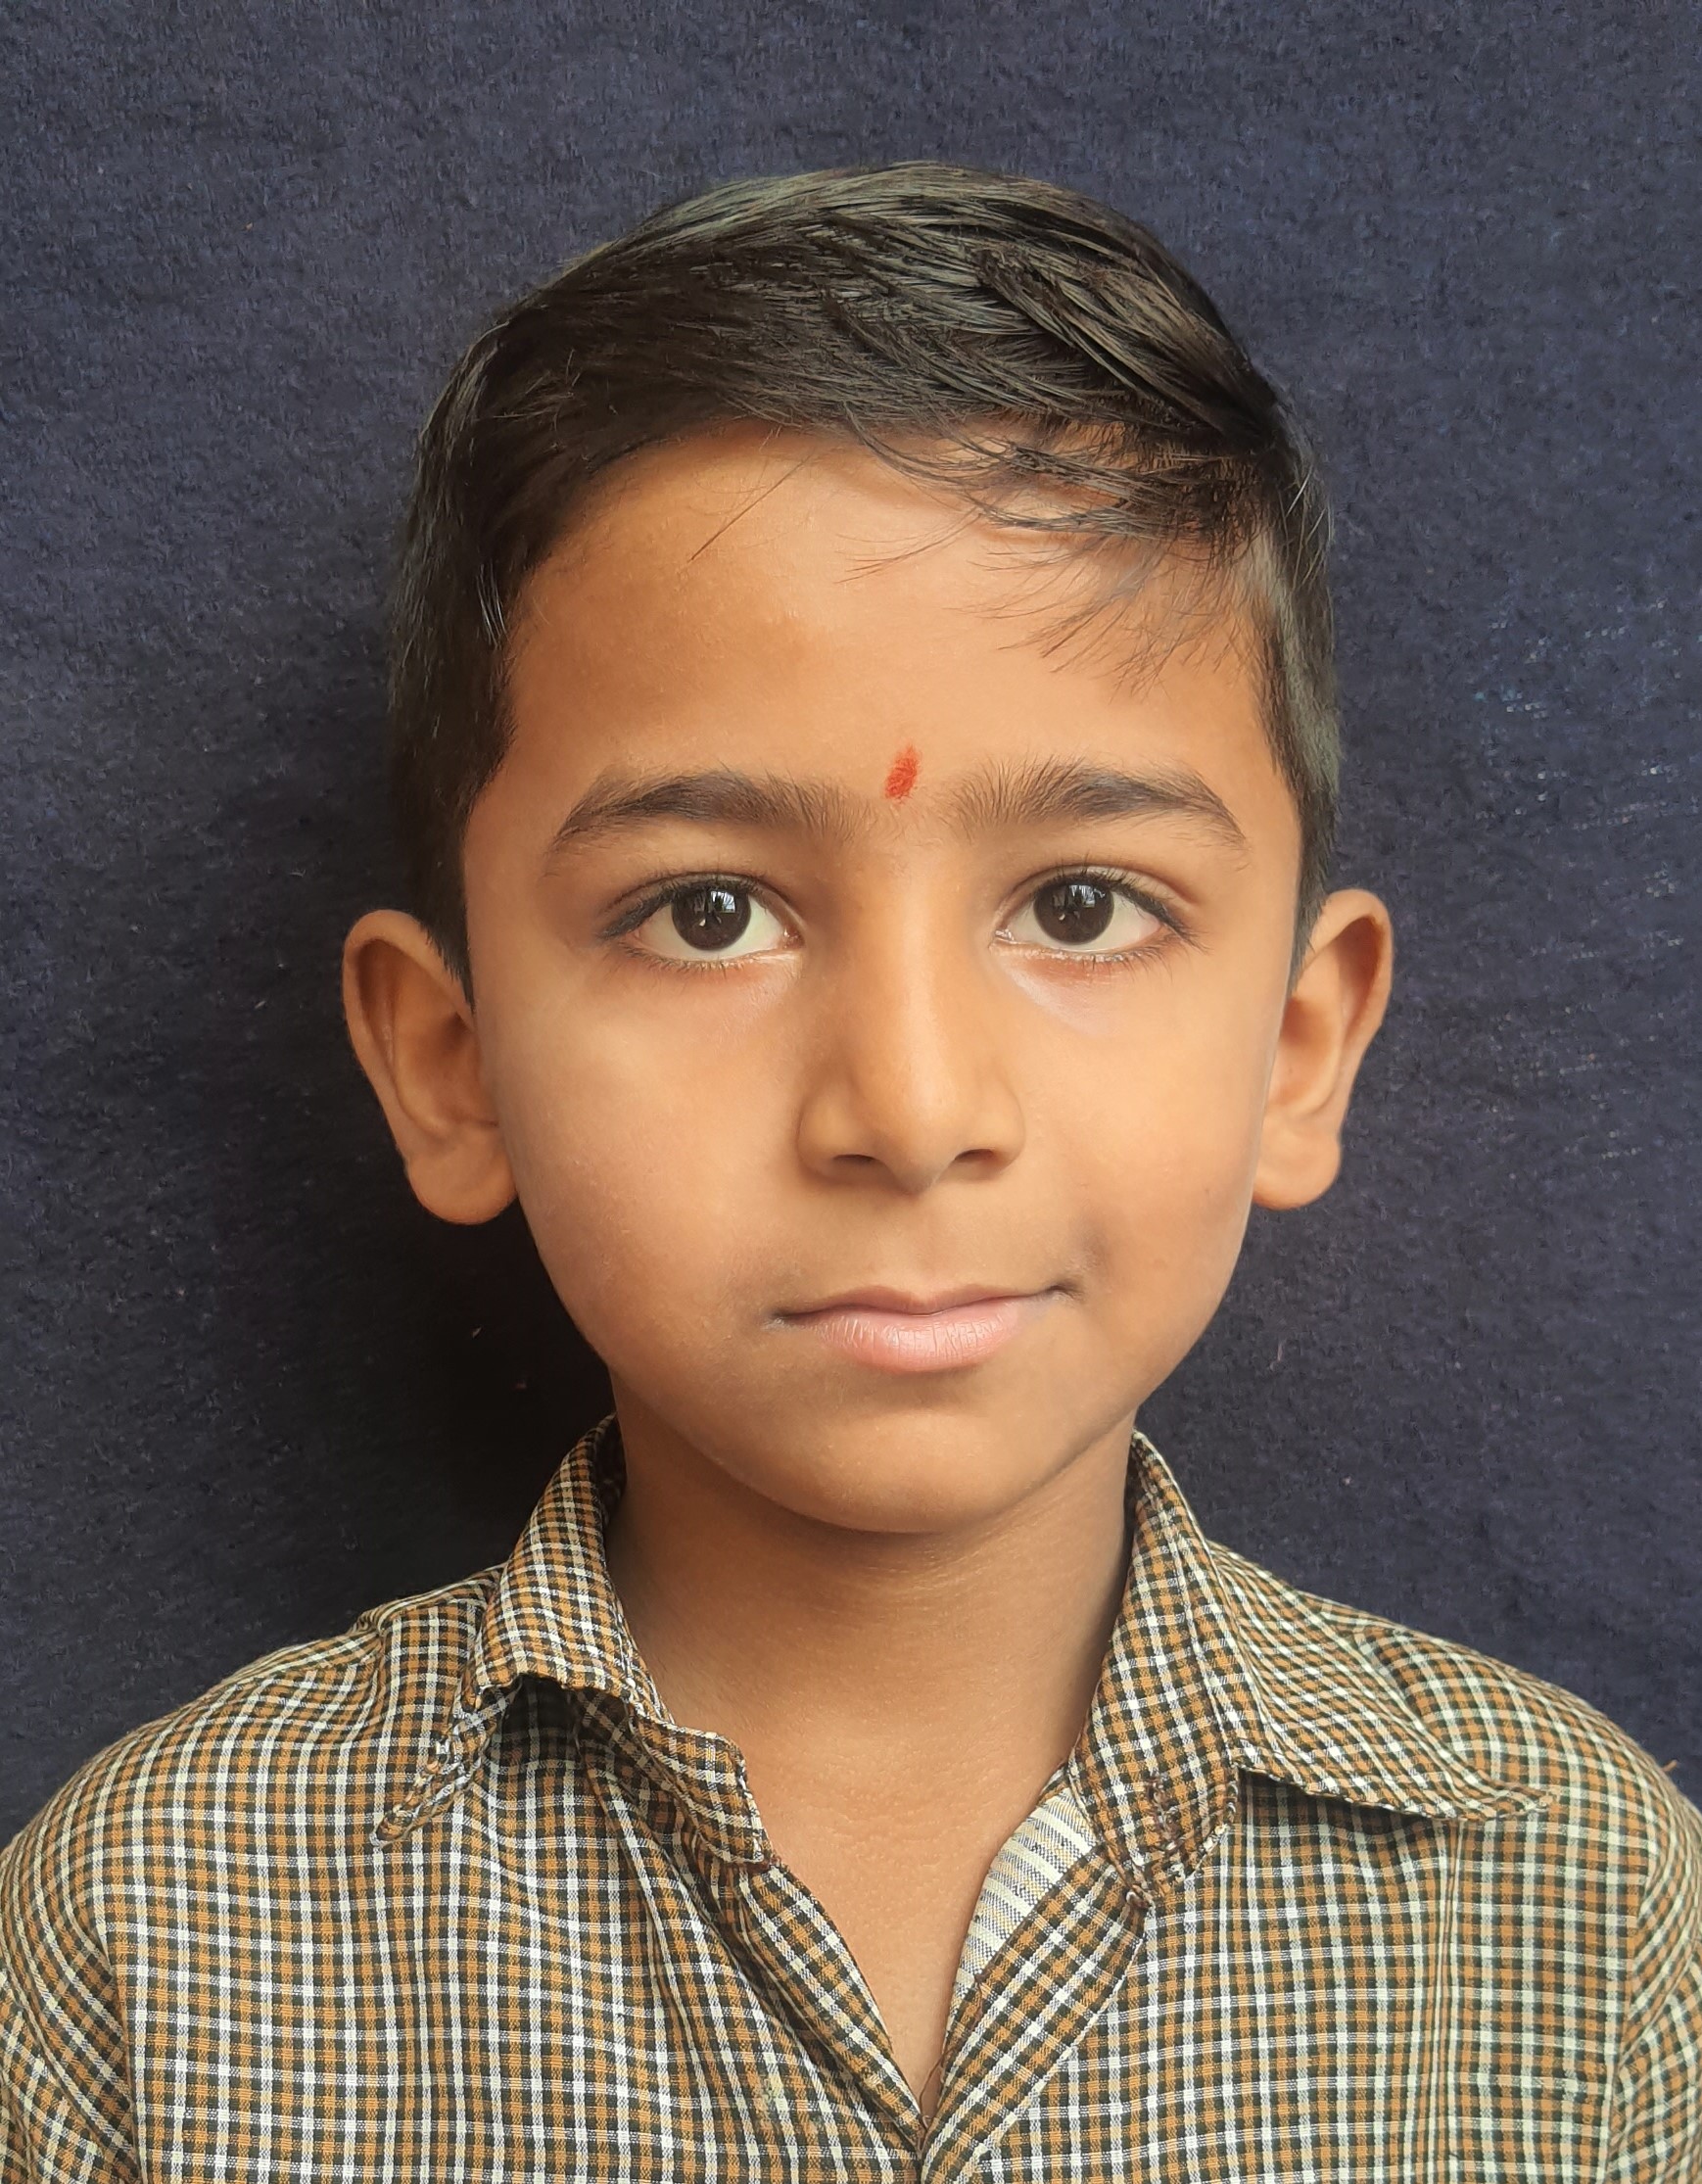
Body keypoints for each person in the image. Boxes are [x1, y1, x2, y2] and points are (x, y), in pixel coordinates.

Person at [2, 162, 1696, 2181]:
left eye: (1080, 903)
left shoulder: (1582, 1909)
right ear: (449, 1064)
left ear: (1298, 1045)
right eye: (706, 911)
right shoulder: (153, 1933)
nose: (907, 1103)